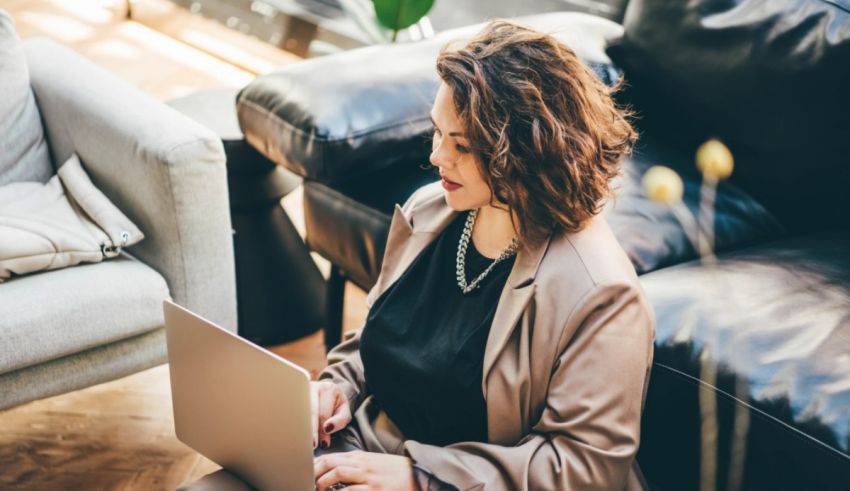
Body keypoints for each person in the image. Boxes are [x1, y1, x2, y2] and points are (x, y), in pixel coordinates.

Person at [180, 19, 654, 491]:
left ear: (526, 152)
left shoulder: (602, 293)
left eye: (461, 145)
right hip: (355, 451)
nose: (436, 157)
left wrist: (419, 476)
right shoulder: (432, 209)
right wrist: (333, 389)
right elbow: (381, 336)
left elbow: (583, 468)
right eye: (437, 132)